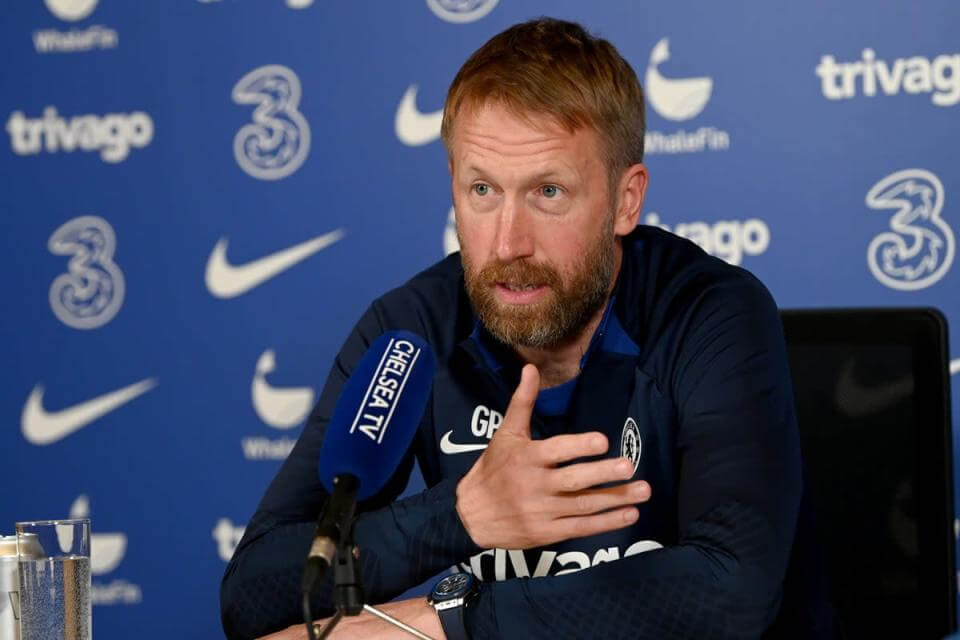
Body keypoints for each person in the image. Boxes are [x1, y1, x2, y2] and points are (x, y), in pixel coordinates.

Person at [221, 17, 813, 639]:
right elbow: (253, 595)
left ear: (626, 200)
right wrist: (461, 516)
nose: (508, 244)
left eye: (548, 192)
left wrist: (452, 622)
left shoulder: (709, 315)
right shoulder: (411, 332)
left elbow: (732, 592)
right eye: (482, 189)